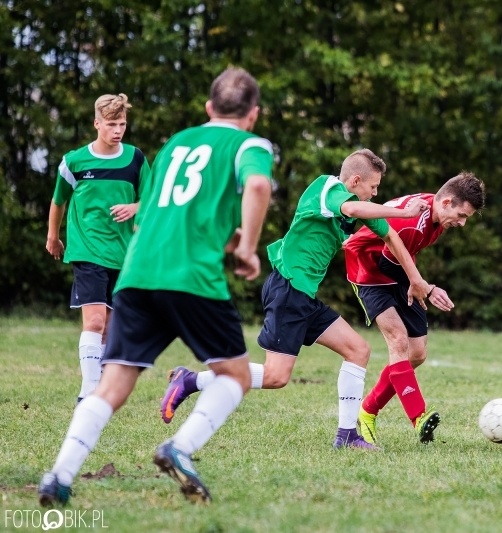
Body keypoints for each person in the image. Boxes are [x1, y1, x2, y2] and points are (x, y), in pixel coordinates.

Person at [38, 67, 275, 506]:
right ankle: (179, 448)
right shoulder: (250, 144)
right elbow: (258, 184)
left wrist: (230, 237)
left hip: (138, 271)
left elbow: (166, 212)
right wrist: (248, 247)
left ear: (208, 108)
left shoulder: (176, 143)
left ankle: (58, 475)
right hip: (190, 277)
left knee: (113, 383)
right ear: (253, 114)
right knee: (236, 374)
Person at [160, 149, 435, 451]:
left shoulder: (356, 204)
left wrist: (416, 279)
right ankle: (191, 381)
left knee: (358, 350)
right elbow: (355, 211)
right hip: (288, 291)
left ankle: (347, 435)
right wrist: (403, 212)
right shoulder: (327, 189)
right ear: (355, 181)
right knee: (277, 376)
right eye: (373, 187)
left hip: (304, 297)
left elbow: (390, 237)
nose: (376, 193)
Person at [347, 172, 486, 446]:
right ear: (446, 202)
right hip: (369, 272)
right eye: (461, 215)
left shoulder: (435, 215)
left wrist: (419, 282)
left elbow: (402, 257)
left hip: (400, 271)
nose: (462, 222)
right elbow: (387, 263)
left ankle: (367, 410)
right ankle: (418, 417)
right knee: (398, 341)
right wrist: (426, 286)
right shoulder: (413, 223)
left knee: (417, 353)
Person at [45, 93, 149, 402]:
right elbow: (58, 201)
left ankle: (101, 388)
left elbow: (153, 201)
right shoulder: (75, 161)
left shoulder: (135, 159)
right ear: (97, 124)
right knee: (94, 321)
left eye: (122, 124)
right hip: (87, 250)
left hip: (123, 254)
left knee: (110, 330)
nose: (118, 130)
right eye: (112, 124)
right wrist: (53, 236)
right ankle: (88, 392)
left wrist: (134, 208)